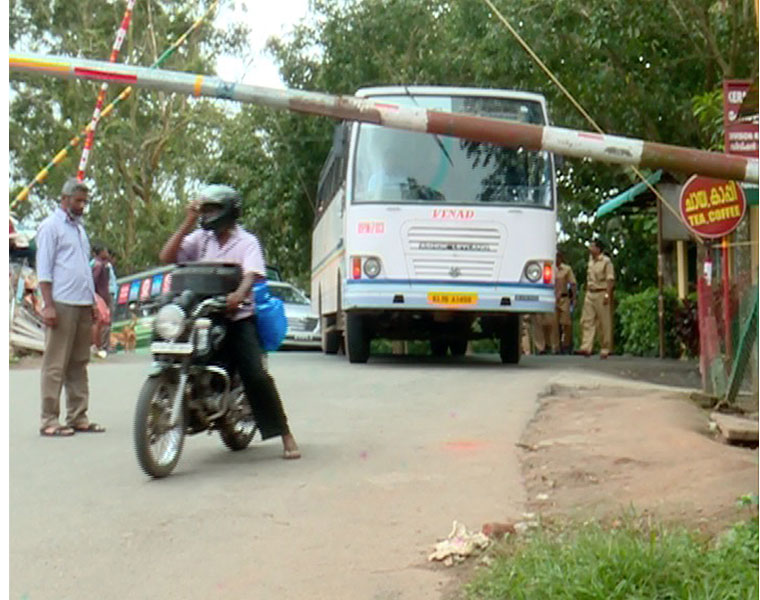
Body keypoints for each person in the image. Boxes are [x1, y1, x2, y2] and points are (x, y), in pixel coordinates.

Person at [159, 184, 300, 459]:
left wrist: (238, 294)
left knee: (255, 375)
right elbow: (167, 256)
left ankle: (285, 434)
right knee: (168, 346)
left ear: (228, 212)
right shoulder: (201, 239)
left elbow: (251, 273)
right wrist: (187, 222)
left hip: (236, 316)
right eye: (204, 209)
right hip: (201, 314)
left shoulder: (246, 242)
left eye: (212, 209)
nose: (207, 214)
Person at [36, 178, 106, 436]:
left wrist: (92, 302)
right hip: (61, 303)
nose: (81, 206)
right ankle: (49, 420)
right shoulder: (50, 227)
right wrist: (48, 305)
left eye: (84, 202)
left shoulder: (79, 230)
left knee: (79, 362)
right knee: (56, 364)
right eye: (78, 201)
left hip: (82, 303)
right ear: (64, 199)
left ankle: (78, 416)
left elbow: (83, 270)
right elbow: (44, 270)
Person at [576, 238, 615, 359]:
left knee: (604, 322)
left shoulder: (606, 261)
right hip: (590, 293)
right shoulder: (590, 261)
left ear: (598, 249)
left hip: (601, 292)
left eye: (592, 246)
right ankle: (586, 347)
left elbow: (610, 279)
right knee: (587, 320)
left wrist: (608, 294)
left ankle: (605, 348)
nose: (590, 249)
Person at [90, 245, 112, 358]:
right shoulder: (98, 266)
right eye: (105, 250)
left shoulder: (101, 265)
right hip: (100, 297)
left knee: (101, 322)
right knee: (100, 321)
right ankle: (97, 346)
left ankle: (99, 346)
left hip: (100, 296)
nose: (107, 253)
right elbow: (93, 281)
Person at [553, 250, 577, 354]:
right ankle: (556, 347)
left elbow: (573, 283)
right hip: (553, 299)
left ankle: (566, 344)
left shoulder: (566, 269)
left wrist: (574, 298)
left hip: (564, 298)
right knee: (554, 323)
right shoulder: (550, 269)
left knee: (566, 323)